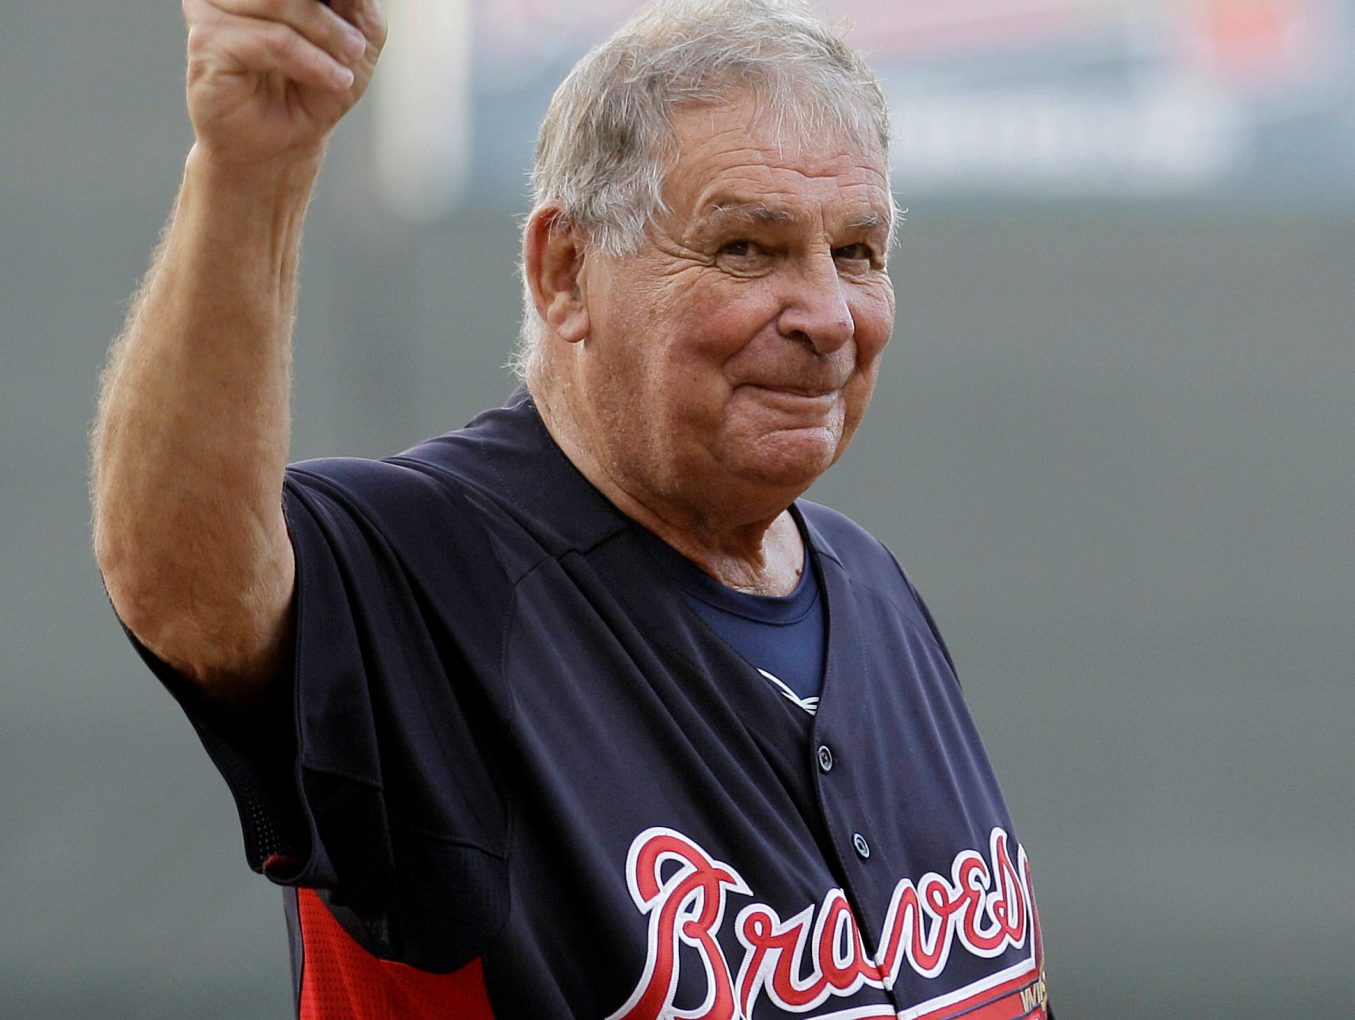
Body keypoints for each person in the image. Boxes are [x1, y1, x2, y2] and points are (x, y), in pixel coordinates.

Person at [91, 0, 1053, 1016]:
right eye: (746, 248)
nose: (825, 315)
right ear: (564, 272)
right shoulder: (428, 573)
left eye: (856, 252)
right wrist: (251, 174)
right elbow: (187, 583)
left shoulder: (870, 590)